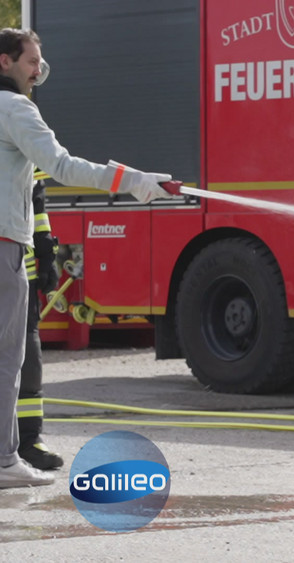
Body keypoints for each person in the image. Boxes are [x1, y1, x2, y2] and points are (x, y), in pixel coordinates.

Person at [0, 28, 173, 489]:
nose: (39, 69)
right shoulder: (16, 108)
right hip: (3, 244)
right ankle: (3, 461)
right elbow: (63, 166)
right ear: (5, 63)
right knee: (6, 357)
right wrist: (133, 180)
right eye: (32, 60)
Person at [16, 177, 62, 470]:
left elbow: (38, 206)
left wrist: (46, 256)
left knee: (29, 360)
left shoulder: (22, 138)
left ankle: (29, 441)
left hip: (22, 270)